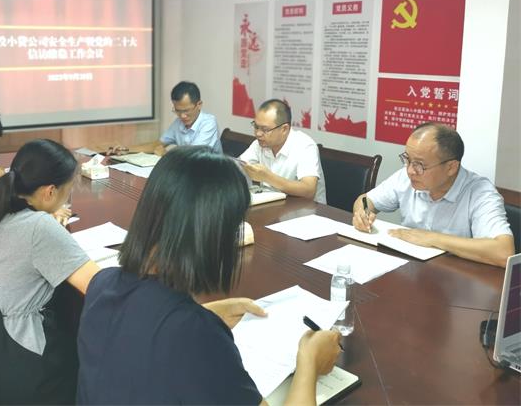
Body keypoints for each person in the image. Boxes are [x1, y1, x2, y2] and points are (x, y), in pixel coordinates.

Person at [76, 146, 341, 404]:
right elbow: (179, 337)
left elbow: (145, 325)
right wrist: (309, 362)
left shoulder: (102, 284)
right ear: (213, 232)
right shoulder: (197, 337)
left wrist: (206, 313)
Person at [0, 139, 101, 405]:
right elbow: (97, 286)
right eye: (67, 190)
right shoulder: (39, 228)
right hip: (21, 369)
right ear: (49, 191)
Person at [352, 123, 514, 267]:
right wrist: (363, 214)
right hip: (412, 269)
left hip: (458, 279)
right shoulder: (406, 177)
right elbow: (365, 200)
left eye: (420, 165)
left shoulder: (480, 193)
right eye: (407, 159)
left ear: (451, 167)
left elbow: (503, 252)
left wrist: (432, 239)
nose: (410, 170)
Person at [239, 98, 327, 203]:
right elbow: (238, 167)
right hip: (274, 205)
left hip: (306, 209)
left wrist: (268, 177)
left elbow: (309, 190)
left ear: (284, 129)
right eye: (256, 126)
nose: (258, 133)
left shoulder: (305, 146)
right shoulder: (260, 143)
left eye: (265, 129)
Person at [108, 81, 222, 155]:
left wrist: (166, 155)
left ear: (199, 105)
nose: (182, 116)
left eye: (186, 110)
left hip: (210, 177)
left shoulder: (209, 123)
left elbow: (193, 157)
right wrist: (126, 149)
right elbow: (156, 145)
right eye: (178, 111)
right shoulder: (179, 123)